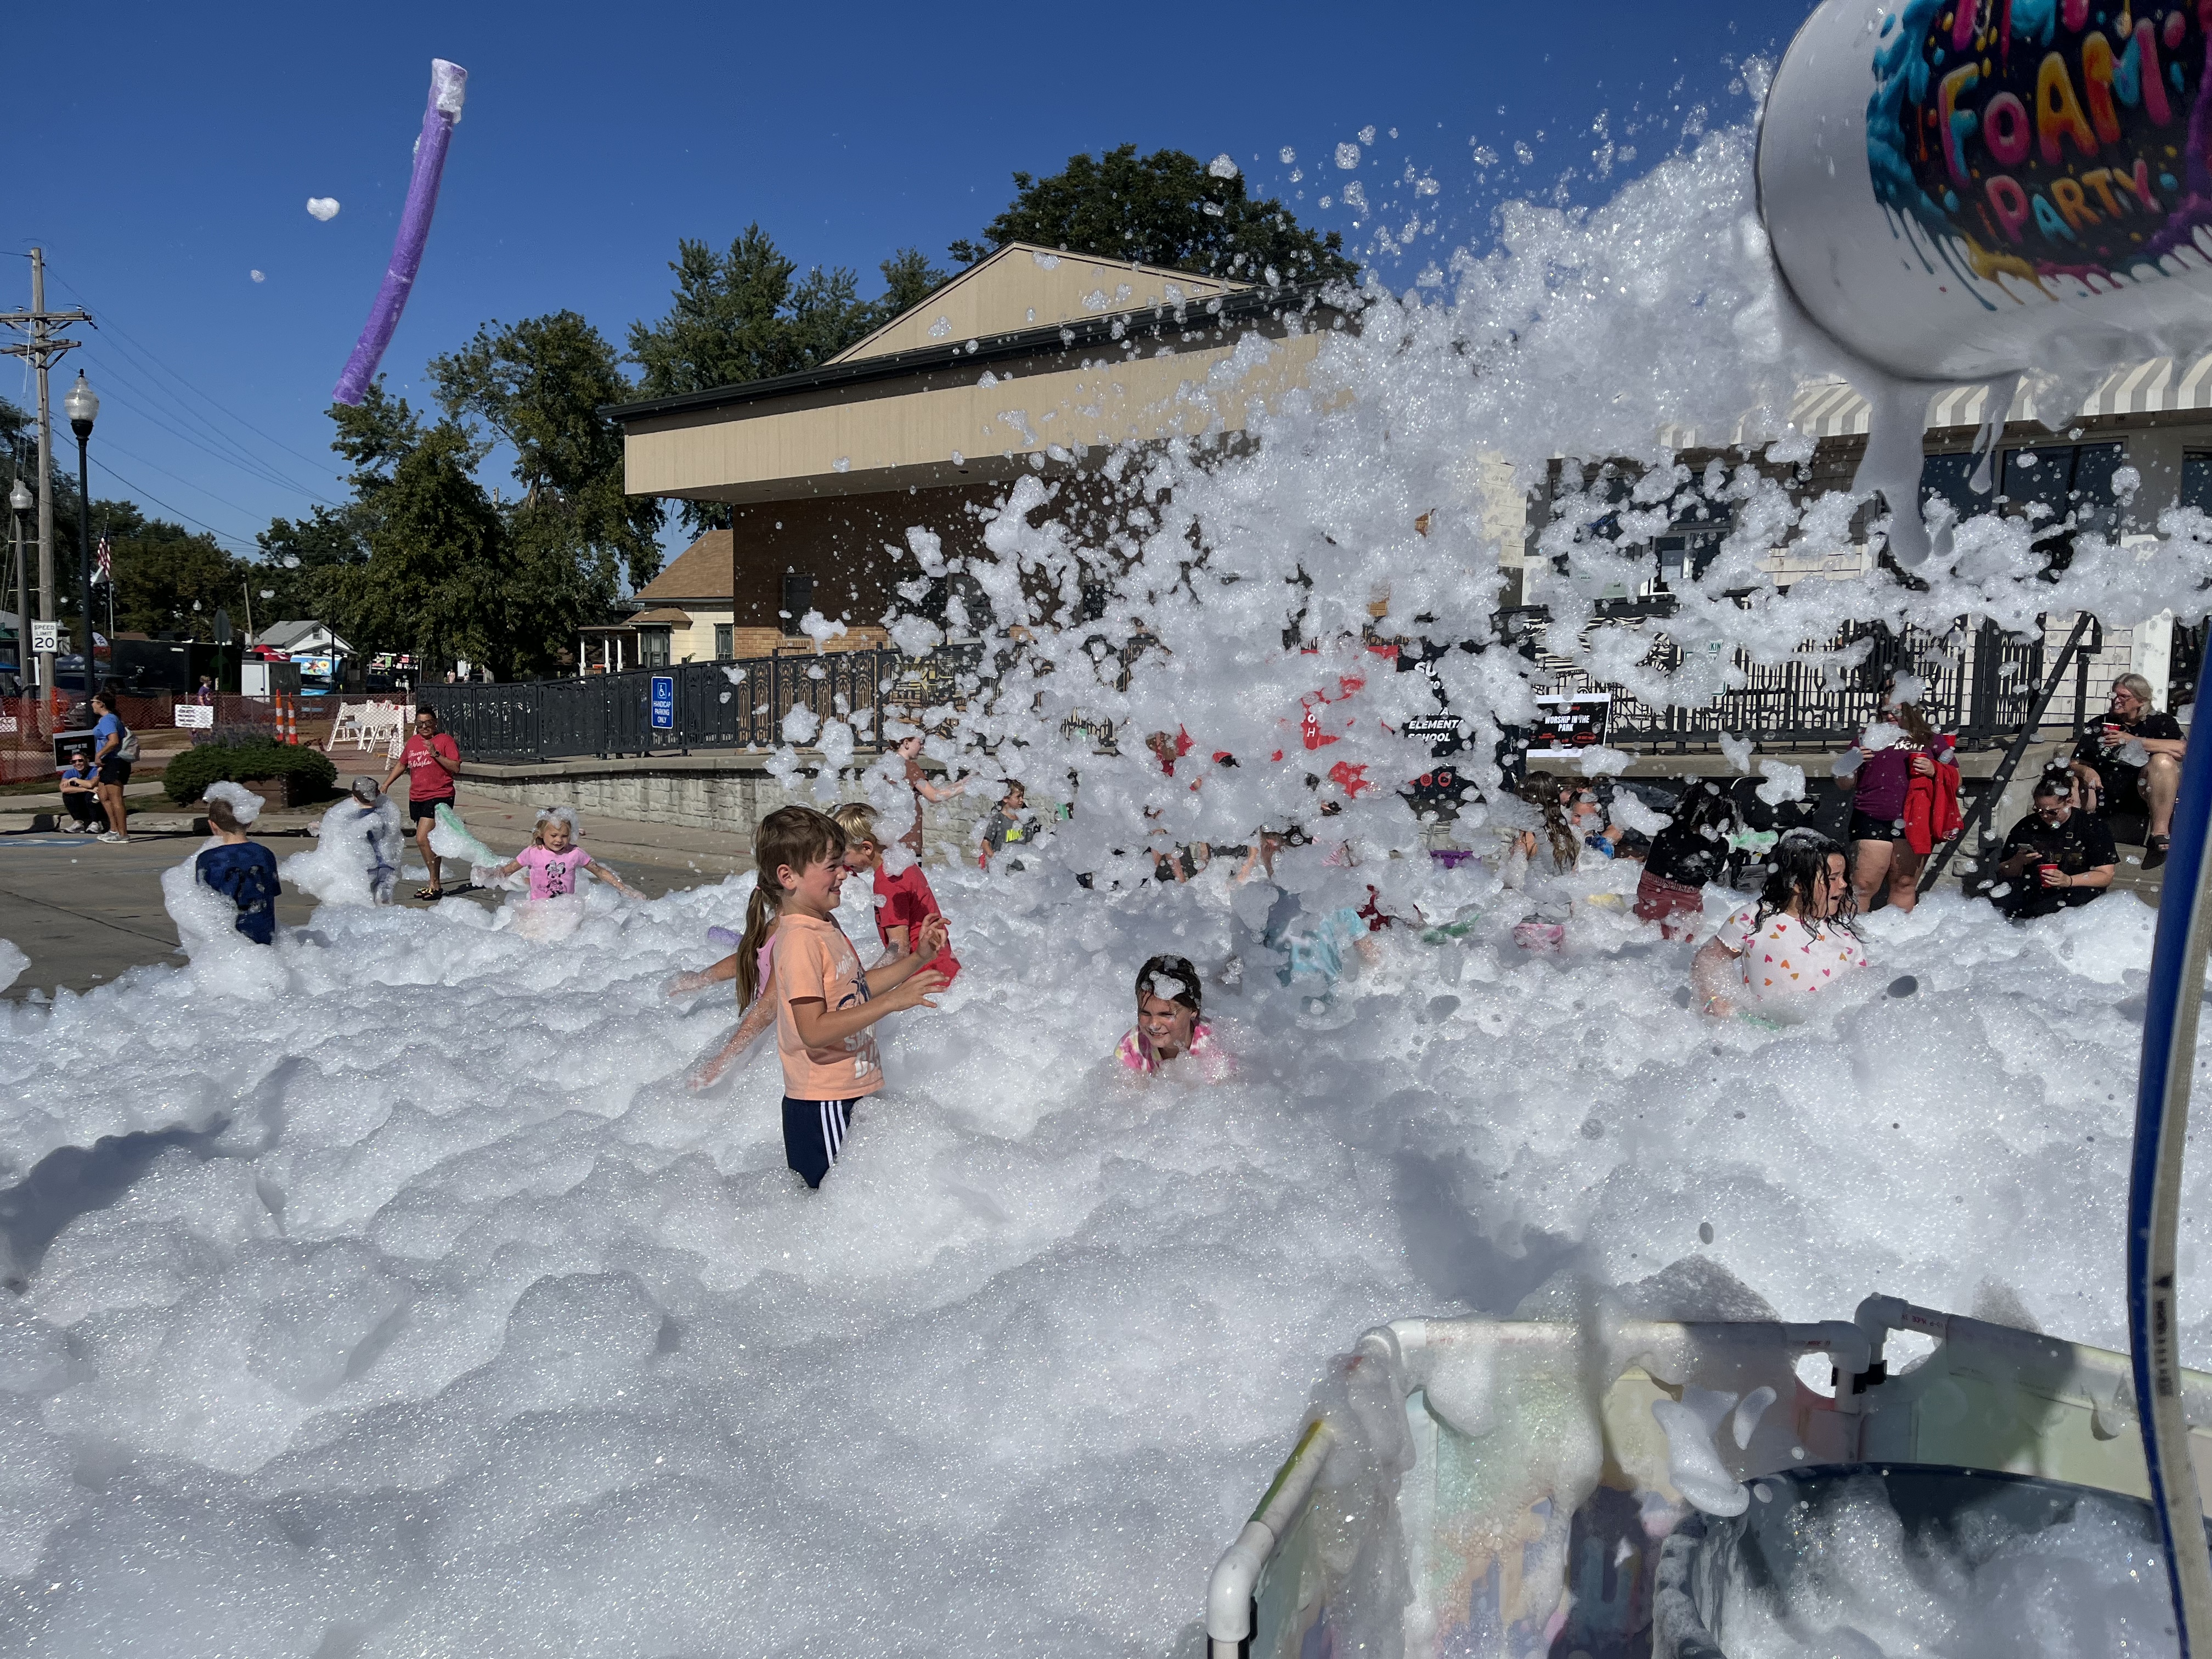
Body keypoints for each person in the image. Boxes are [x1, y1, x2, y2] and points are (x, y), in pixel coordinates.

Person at [738, 805, 947, 1189]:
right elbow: (813, 1031)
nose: (843, 875)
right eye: (832, 866)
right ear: (789, 877)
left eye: (842, 864)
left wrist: (920, 958)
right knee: (829, 1204)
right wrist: (890, 1004)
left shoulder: (823, 925)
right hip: (824, 1102)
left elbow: (855, 987)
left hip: (848, 1091)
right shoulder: (800, 939)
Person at [1691, 831, 1867, 1019]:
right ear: (1798, 883)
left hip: (1819, 1036)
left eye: (1844, 877)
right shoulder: (1755, 918)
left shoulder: (1847, 937)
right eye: (1833, 878)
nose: (1843, 885)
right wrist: (1718, 1001)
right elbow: (1708, 961)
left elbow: (1861, 996)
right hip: (1761, 1030)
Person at [1835, 686, 1957, 915]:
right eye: (1885, 710)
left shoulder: (1930, 738)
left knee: (1905, 884)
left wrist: (1934, 769)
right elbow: (1844, 783)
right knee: (1862, 886)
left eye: (1897, 711)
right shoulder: (1866, 736)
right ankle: (1848, 939)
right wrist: (1851, 762)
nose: (1890, 715)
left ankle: (1898, 944)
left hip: (1915, 820)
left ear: (1912, 711)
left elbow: (1955, 780)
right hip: (1872, 816)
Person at [833, 802, 960, 986]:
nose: (841, 862)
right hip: (941, 969)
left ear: (867, 848)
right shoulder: (901, 863)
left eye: (843, 854)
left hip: (924, 977)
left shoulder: (888, 881)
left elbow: (899, 948)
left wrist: (863, 984)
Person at [2070, 672, 2187, 870]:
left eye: (2124, 697)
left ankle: (2159, 833)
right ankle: (2071, 838)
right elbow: (2074, 763)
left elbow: (2183, 749)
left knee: (2164, 761)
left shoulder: (2160, 722)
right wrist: (2086, 771)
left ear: (2141, 700)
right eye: (2114, 695)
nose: (2116, 701)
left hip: (2144, 791)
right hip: (2104, 791)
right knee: (2073, 779)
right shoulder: (2100, 724)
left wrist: (2133, 741)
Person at [1990, 775, 2117, 921]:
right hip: (2036, 895)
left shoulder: (2091, 825)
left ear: (2069, 802)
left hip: (2076, 895)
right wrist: (2018, 861)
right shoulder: (2027, 826)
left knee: (2079, 897)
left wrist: (2068, 880)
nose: (2045, 816)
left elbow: (2106, 876)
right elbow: (2004, 872)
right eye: (2039, 810)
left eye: (2052, 812)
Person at [1635, 779, 1735, 939]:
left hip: (1650, 898)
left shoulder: (1666, 824)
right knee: (1681, 942)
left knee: (1647, 935)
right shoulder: (1719, 846)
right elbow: (1715, 874)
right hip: (1689, 908)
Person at [382, 704, 461, 900]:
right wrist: (386, 785)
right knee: (429, 842)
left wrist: (436, 754)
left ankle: (434, 884)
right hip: (417, 797)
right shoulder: (413, 743)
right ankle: (434, 882)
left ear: (435, 723)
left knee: (421, 838)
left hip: (440, 795)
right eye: (420, 724)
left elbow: (456, 767)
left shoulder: (445, 741)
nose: (424, 727)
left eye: (428, 723)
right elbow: (402, 764)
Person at [488, 807, 645, 904]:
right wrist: (488, 875)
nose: (559, 840)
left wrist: (626, 890)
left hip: (566, 910)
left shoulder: (575, 853)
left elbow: (599, 871)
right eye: (554, 835)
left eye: (564, 836)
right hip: (539, 909)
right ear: (542, 834)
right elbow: (508, 870)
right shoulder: (533, 852)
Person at [1115, 954, 1232, 1080]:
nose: (1154, 1025)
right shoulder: (1131, 1050)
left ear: (1193, 1010)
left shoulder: (1216, 1045)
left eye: (1166, 1014)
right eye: (1146, 1013)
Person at [194, 795, 281, 945]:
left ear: (212, 825)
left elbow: (203, 902)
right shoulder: (265, 853)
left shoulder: (208, 859)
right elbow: (272, 891)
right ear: (249, 822)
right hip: (264, 935)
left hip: (225, 939)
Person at [891, 732, 967, 857]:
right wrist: (967, 786)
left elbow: (934, 791)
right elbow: (934, 796)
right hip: (909, 843)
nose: (922, 747)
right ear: (906, 743)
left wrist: (962, 782)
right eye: (919, 743)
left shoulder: (889, 764)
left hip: (893, 840)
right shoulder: (909, 767)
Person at [343, 776, 404, 904]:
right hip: (387, 866)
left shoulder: (353, 818)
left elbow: (341, 835)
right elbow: (393, 837)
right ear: (377, 794)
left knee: (366, 903)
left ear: (354, 798)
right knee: (384, 902)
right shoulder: (386, 814)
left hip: (366, 867)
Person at [89, 689, 132, 844]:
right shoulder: (106, 720)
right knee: (103, 795)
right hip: (108, 763)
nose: (92, 705)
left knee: (116, 799)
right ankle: (113, 830)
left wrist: (99, 754)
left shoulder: (108, 720)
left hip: (115, 762)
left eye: (93, 702)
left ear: (101, 704)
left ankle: (123, 834)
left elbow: (113, 741)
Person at [978, 780, 1035, 868]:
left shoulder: (1025, 819)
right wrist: (996, 860)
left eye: (1022, 796)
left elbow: (1030, 844)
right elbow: (985, 844)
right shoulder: (998, 819)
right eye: (1018, 797)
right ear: (1006, 798)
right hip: (1003, 870)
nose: (1022, 800)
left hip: (1021, 870)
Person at [57, 748, 104, 834]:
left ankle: (96, 823)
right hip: (82, 802)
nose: (77, 763)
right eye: (74, 762)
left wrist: (76, 780)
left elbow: (91, 784)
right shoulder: (69, 773)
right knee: (68, 795)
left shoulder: (94, 770)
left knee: (91, 796)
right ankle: (79, 823)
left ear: (87, 760)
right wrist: (86, 789)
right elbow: (64, 789)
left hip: (97, 802)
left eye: (80, 760)